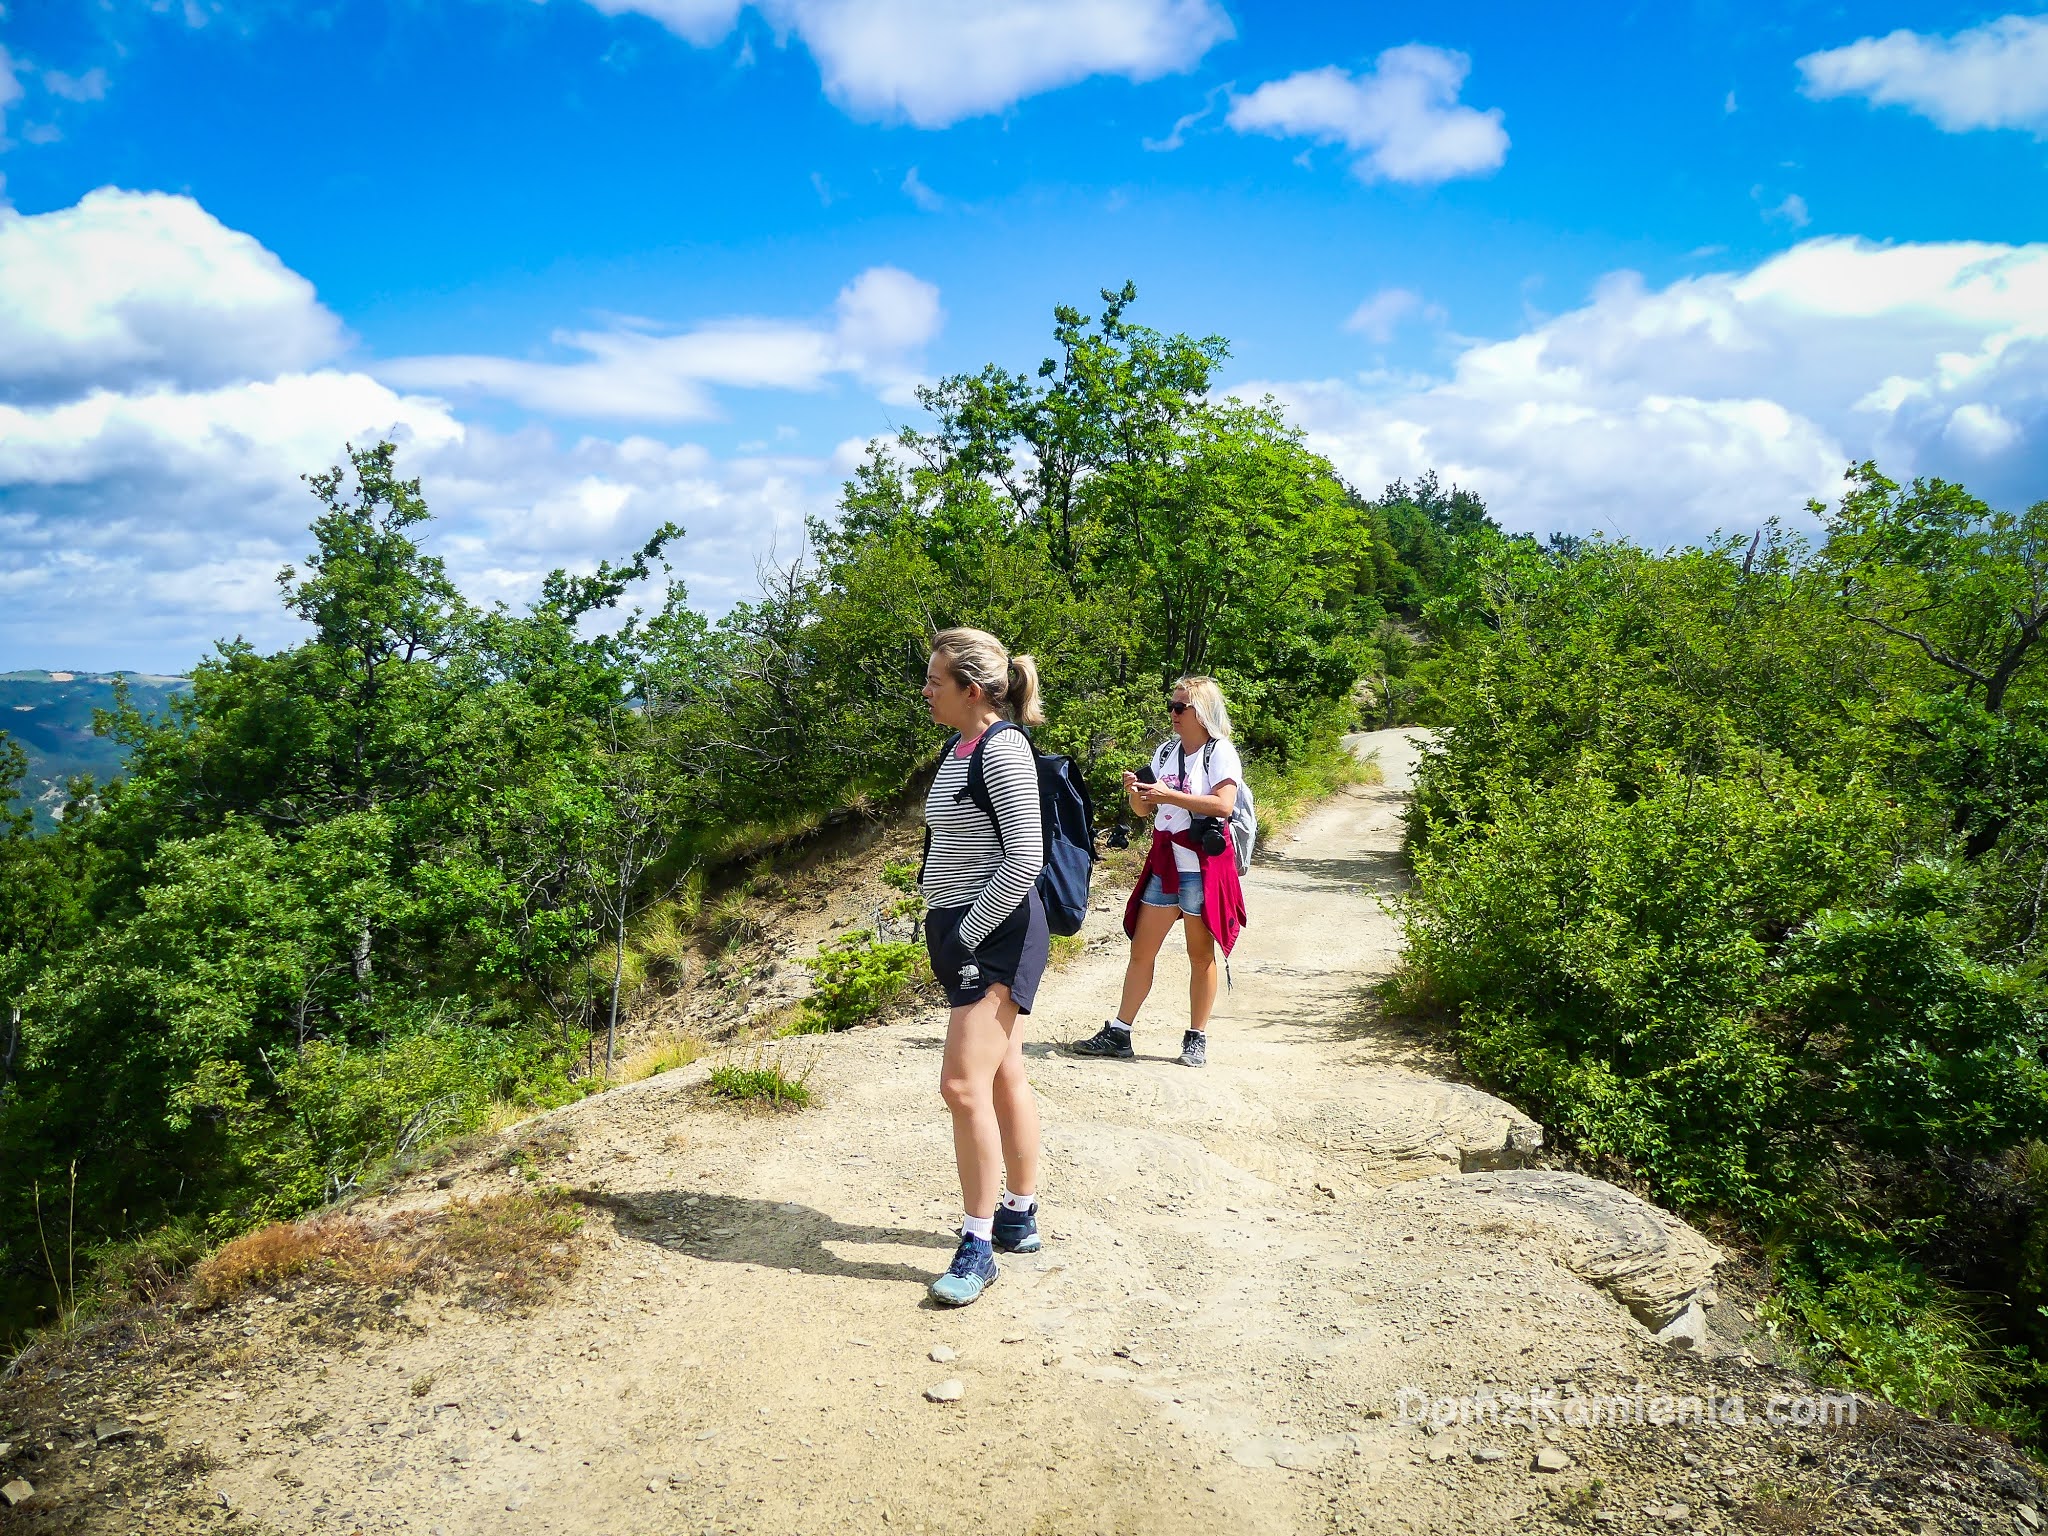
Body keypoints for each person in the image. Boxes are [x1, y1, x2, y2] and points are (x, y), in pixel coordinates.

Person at [918, 627, 1050, 1306]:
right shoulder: (959, 746)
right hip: (967, 931)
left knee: (961, 1086)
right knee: (1003, 1073)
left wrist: (966, 935)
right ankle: (1018, 1214)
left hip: (994, 934)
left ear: (972, 691)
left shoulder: (1002, 752)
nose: (925, 689)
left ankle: (977, 1245)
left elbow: (1026, 856)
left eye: (936, 680)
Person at [1070, 676, 1247, 1068]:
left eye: (1180, 707)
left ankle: (1196, 1038)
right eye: (1172, 705)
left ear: (1201, 713)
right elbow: (1142, 812)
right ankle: (1119, 1032)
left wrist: (1168, 795)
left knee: (1200, 956)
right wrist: (1137, 791)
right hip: (1166, 862)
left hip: (1201, 866)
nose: (1173, 713)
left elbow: (1223, 805)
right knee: (1141, 950)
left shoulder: (1220, 752)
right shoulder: (1166, 751)